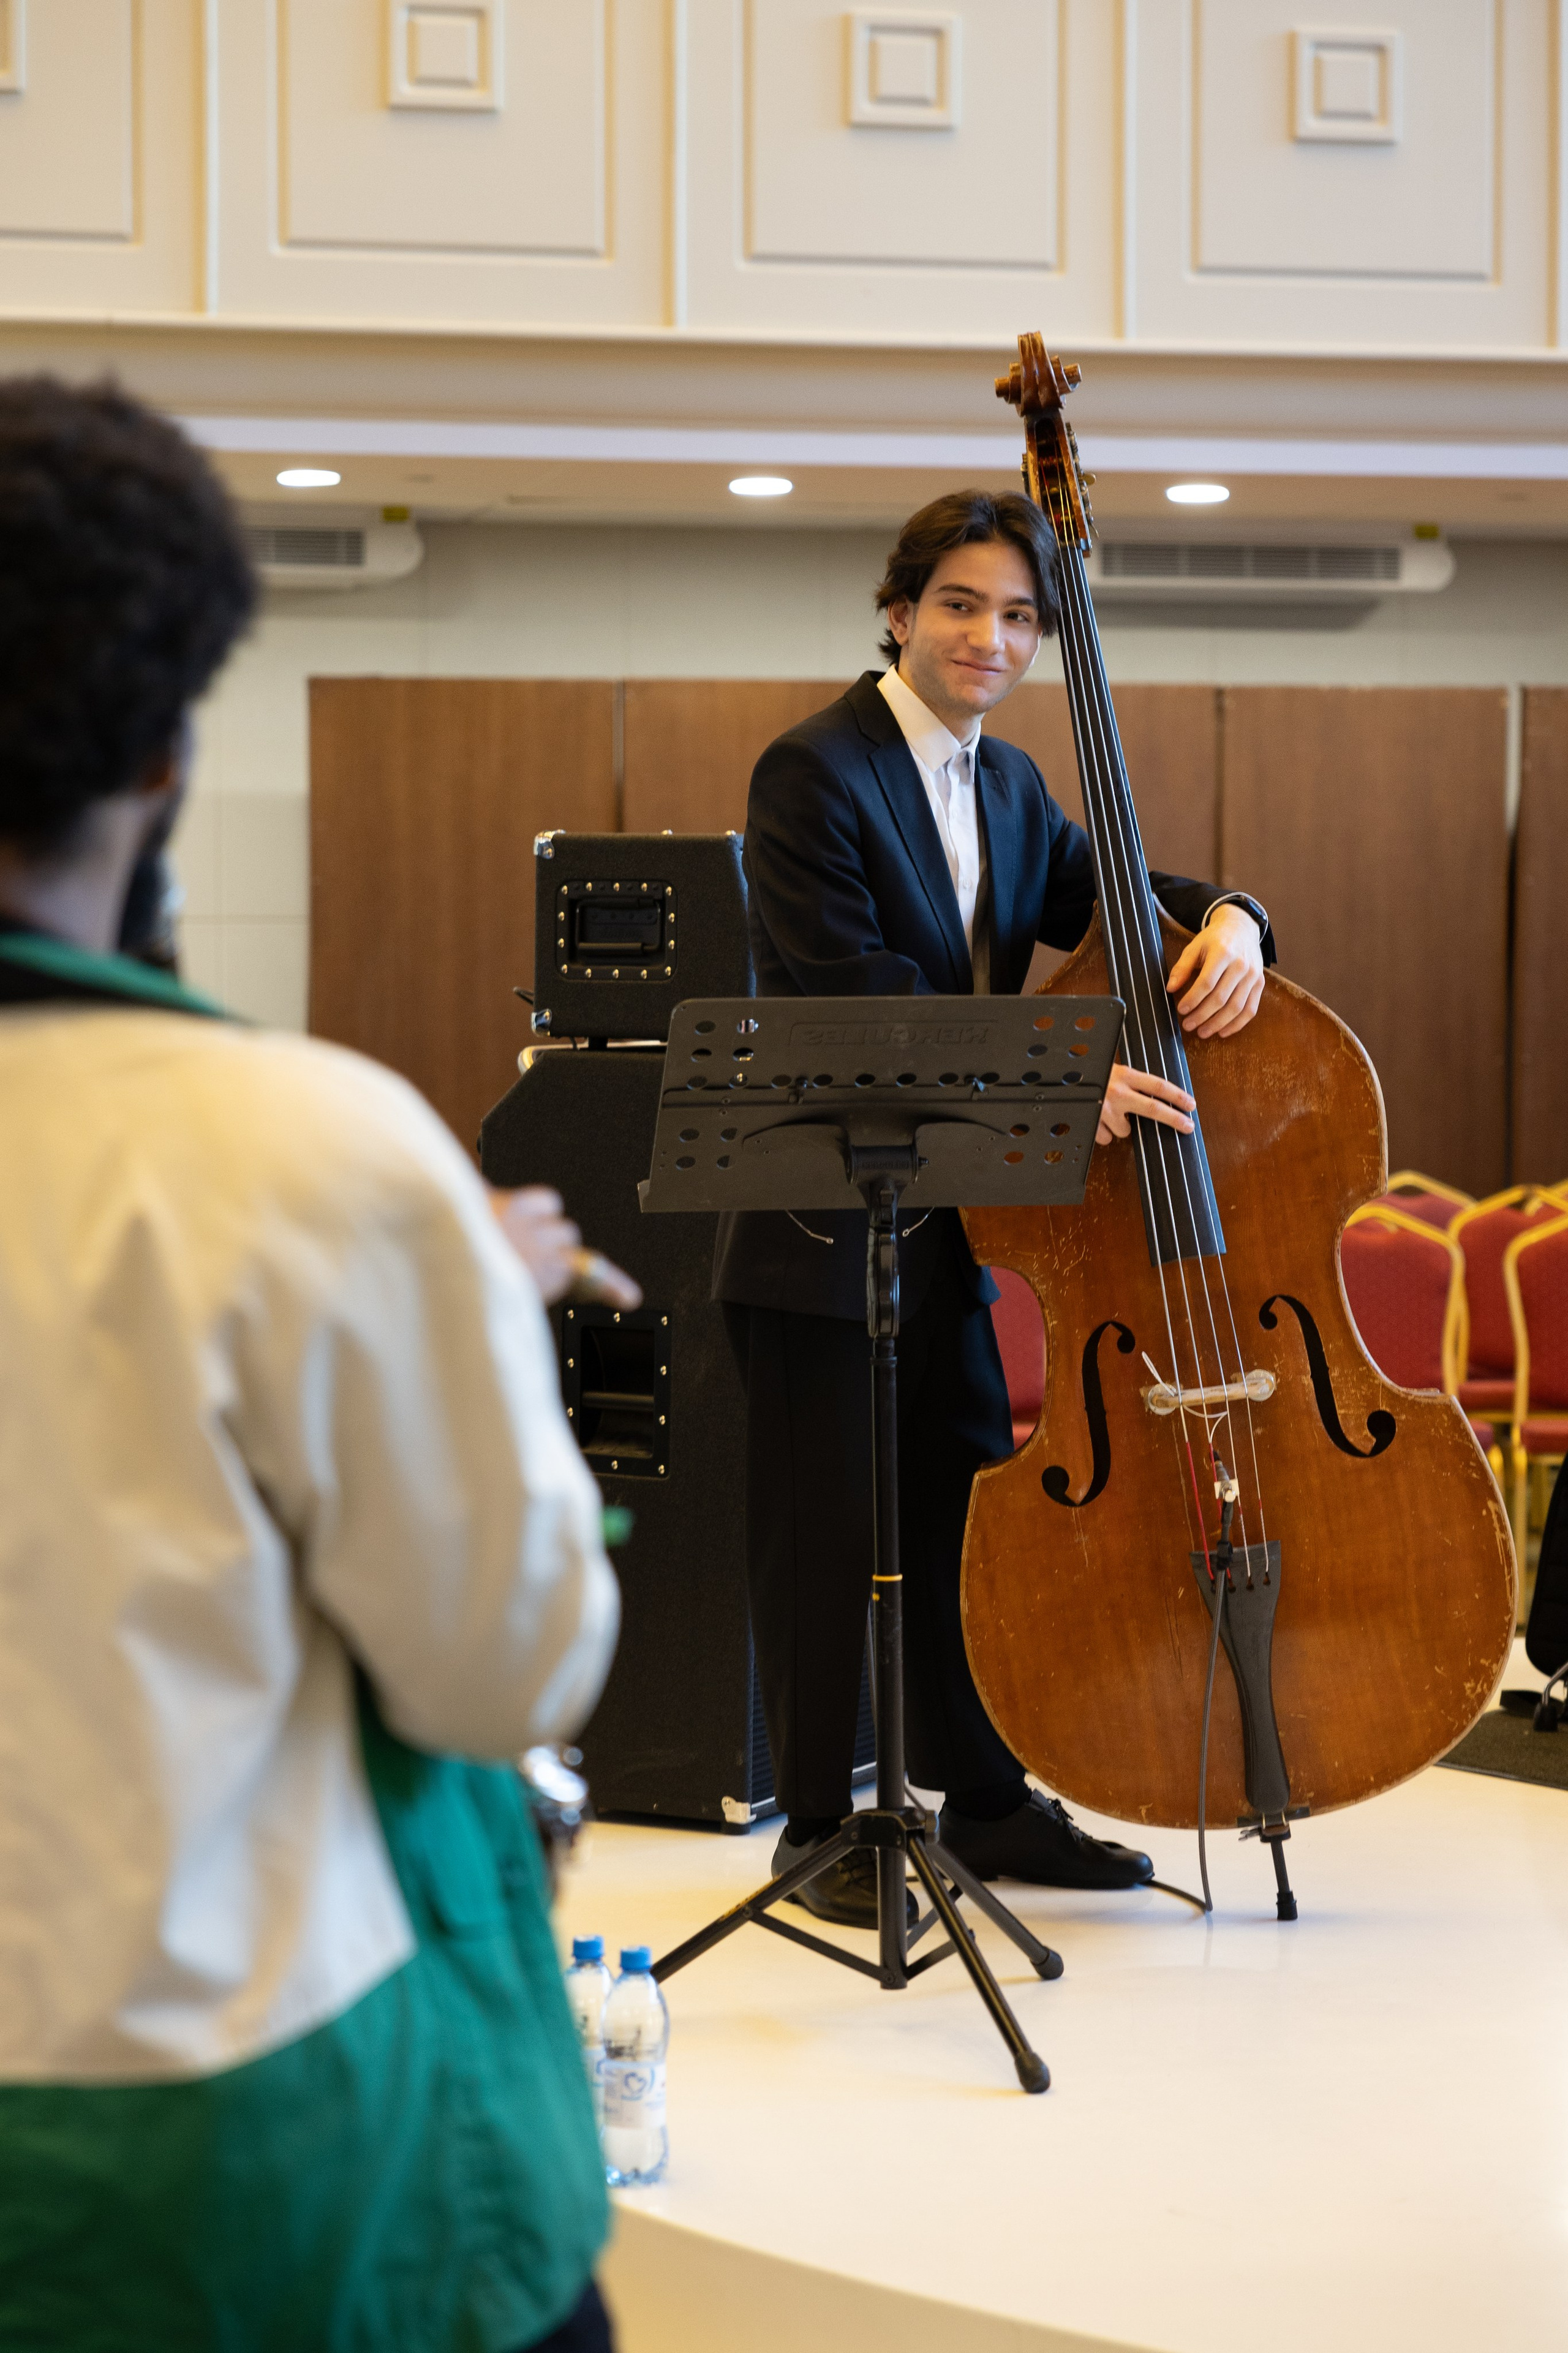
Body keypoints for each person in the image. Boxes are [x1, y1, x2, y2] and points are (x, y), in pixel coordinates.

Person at [0, 376, 623, 2353]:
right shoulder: (311, 1154)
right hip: (233, 2149)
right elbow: (505, 1667)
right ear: (165, 755)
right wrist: (460, 1314)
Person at [714, 489, 1276, 1927]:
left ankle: (982, 1797)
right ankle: (819, 1828)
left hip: (954, 1228)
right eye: (961, 605)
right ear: (898, 613)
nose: (991, 637)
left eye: (1020, 616)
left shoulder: (1013, 785)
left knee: (960, 1517)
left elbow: (1129, 902)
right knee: (824, 1539)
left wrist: (1235, 921)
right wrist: (1054, 1086)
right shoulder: (812, 771)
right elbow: (861, 995)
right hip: (816, 1232)